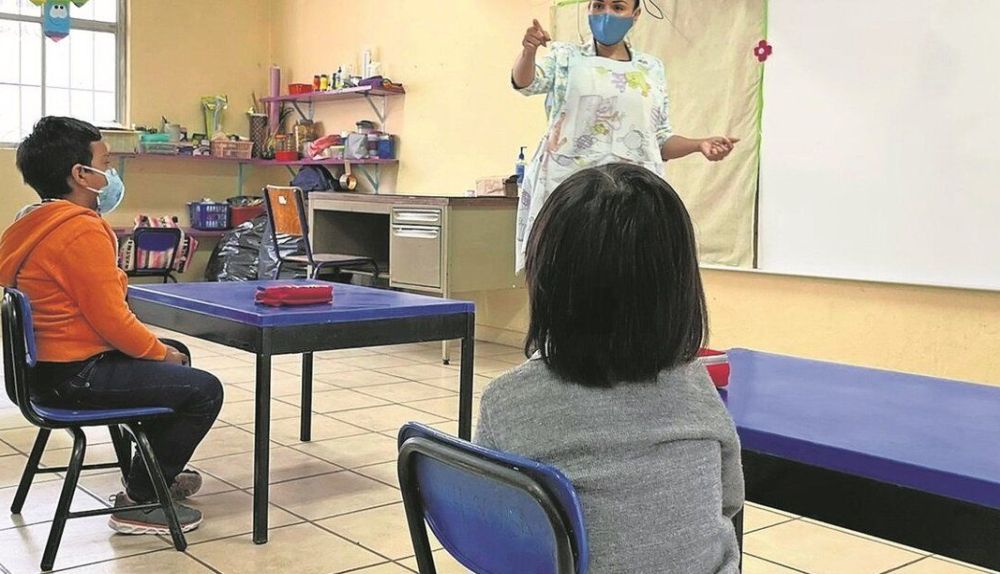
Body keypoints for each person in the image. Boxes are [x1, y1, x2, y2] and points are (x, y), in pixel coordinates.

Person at [475, 163, 744, 573]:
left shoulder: (506, 401)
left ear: (545, 278)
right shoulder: (696, 387)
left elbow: (490, 526)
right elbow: (730, 500)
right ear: (680, 287)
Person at [0, 116, 223, 535]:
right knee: (204, 390)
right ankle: (139, 500)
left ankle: (155, 472)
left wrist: (161, 351)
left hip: (43, 371)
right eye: (106, 163)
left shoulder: (32, 222)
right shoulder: (80, 231)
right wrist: (160, 352)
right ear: (81, 175)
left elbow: (101, 317)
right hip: (74, 377)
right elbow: (113, 320)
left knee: (175, 358)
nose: (112, 172)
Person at [511, 0, 739, 270]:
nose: (606, 14)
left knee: (629, 271)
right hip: (571, 189)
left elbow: (658, 140)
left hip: (632, 196)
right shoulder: (566, 58)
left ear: (636, 14)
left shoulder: (650, 69)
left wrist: (699, 145)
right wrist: (529, 52)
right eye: (598, 6)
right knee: (568, 270)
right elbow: (526, 83)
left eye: (618, 7)